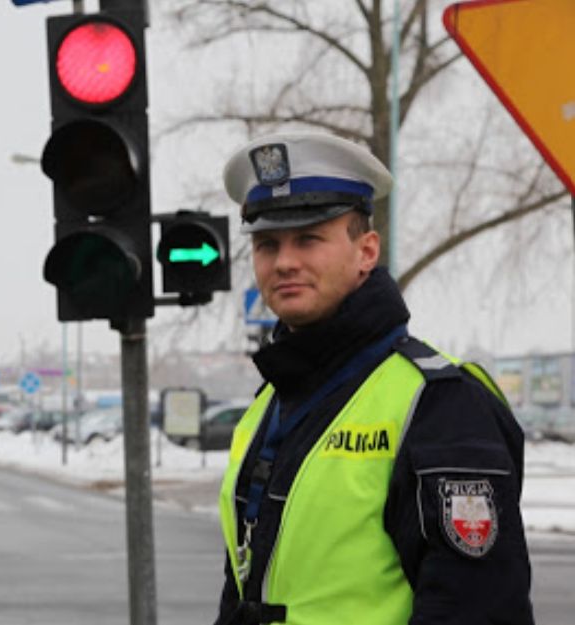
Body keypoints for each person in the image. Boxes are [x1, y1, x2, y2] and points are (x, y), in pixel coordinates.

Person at [213, 133, 533, 625]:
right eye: (267, 244)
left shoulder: (439, 404)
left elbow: (477, 608)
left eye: (309, 238)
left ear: (366, 251)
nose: (284, 262)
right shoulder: (269, 403)